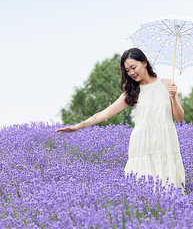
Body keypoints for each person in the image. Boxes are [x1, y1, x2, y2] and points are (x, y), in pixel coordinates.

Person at [56, 48, 185, 190]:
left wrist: (172, 96)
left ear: (144, 63)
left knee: (170, 187)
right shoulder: (131, 93)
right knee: (143, 190)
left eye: (133, 67)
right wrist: (76, 127)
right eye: (127, 70)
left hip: (166, 141)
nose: (131, 73)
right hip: (143, 144)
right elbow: (104, 114)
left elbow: (179, 118)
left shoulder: (167, 85)